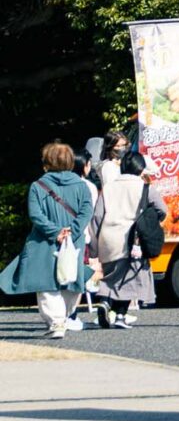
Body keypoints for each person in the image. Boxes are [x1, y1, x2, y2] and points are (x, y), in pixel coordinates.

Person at [6, 142, 98, 339]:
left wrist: (55, 232)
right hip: (74, 240)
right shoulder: (81, 185)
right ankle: (63, 317)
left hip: (44, 240)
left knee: (46, 282)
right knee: (71, 278)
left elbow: (36, 214)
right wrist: (72, 231)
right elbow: (86, 211)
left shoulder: (38, 186)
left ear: (47, 162)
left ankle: (56, 322)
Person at [90, 143, 163, 330]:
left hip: (108, 238)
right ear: (141, 168)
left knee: (112, 274)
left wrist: (94, 247)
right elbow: (162, 210)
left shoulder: (108, 188)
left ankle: (105, 302)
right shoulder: (145, 188)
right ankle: (120, 315)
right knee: (130, 278)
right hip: (132, 240)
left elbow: (97, 217)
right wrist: (151, 221)